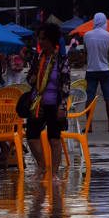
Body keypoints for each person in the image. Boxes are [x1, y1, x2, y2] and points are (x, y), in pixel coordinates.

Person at [25, 23, 71, 181]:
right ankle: (42, 166)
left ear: (52, 40)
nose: (40, 41)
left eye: (43, 39)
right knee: (31, 137)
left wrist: (62, 107)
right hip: (37, 103)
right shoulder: (37, 58)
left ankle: (54, 173)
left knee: (54, 139)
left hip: (54, 104)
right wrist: (30, 79)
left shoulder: (61, 60)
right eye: (39, 38)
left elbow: (65, 85)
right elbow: (30, 76)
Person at [83, 12, 109, 132]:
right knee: (108, 97)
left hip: (91, 69)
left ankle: (89, 126)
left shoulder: (87, 35)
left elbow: (86, 52)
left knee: (89, 98)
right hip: (105, 69)